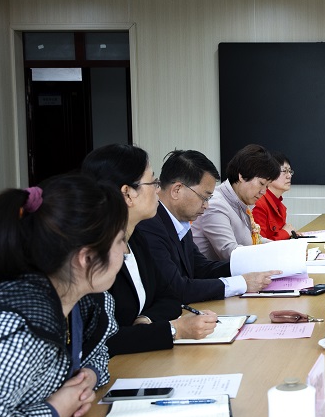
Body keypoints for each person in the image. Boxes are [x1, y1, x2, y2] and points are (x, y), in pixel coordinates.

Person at [0, 174, 125, 417]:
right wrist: (54, 410)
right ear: (86, 258)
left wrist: (89, 376)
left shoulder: (86, 302)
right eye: (120, 241)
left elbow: (99, 352)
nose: (126, 251)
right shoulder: (19, 331)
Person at [81, 144, 218, 355]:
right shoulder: (92, 254)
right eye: (153, 182)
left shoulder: (136, 238)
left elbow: (170, 297)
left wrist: (146, 320)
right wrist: (174, 329)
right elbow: (102, 340)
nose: (158, 190)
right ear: (127, 194)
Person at [136, 149, 278, 303]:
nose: (206, 205)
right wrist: (242, 283)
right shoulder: (150, 225)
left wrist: (249, 270)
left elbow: (201, 268)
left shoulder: (179, 222)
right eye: (204, 197)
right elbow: (176, 288)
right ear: (177, 190)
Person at [191, 144, 279, 261]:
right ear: (242, 176)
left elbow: (255, 240)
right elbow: (229, 252)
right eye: (261, 184)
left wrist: (282, 248)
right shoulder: (215, 205)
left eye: (267, 186)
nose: (263, 191)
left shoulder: (241, 202)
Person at [252, 151, 301, 240]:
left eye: (290, 171)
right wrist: (285, 233)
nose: (289, 176)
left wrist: (290, 234)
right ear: (269, 174)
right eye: (285, 171)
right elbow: (258, 243)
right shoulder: (259, 204)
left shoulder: (280, 206)